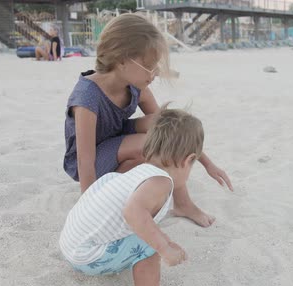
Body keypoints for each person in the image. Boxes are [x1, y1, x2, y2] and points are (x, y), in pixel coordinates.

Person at [63, 13, 232, 228]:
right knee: (152, 144)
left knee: (161, 125)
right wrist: (87, 210)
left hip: (117, 148)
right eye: (149, 66)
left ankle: (179, 204)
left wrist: (208, 163)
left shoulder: (135, 85)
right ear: (122, 59)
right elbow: (84, 161)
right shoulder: (88, 97)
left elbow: (172, 129)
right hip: (90, 162)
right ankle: (181, 202)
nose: (153, 74)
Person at [60, 109, 203, 286]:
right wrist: (163, 248)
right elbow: (132, 212)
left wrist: (165, 240)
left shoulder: (138, 171)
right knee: (149, 246)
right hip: (86, 257)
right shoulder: (160, 182)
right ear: (187, 160)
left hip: (71, 244)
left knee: (148, 231)